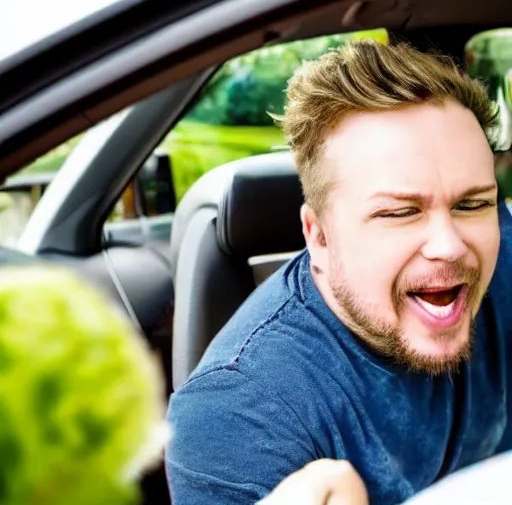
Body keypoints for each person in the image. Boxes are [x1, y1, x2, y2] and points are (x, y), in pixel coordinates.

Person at [165, 40, 512, 504]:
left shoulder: (503, 257)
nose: (450, 244)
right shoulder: (235, 414)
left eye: (472, 204)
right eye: (400, 213)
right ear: (319, 237)